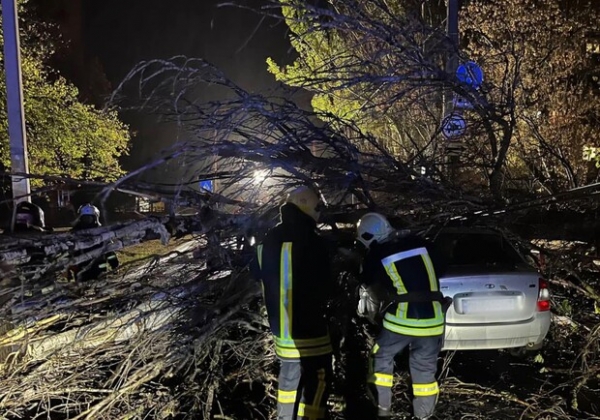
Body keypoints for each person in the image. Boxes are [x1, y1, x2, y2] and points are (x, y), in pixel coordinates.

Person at [355, 213, 450, 420]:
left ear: (367, 237)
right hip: (434, 320)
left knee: (381, 357)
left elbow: (367, 281)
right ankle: (423, 415)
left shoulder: (378, 253)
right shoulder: (422, 244)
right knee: (424, 370)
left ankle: (382, 410)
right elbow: (441, 267)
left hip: (401, 320)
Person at [251, 186, 333, 420]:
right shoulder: (313, 241)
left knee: (289, 381)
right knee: (319, 377)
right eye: (317, 207)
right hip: (308, 328)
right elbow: (326, 286)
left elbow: (256, 273)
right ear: (306, 206)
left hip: (281, 330)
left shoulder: (267, 240)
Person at [67, 203, 119, 281]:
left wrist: (114, 264)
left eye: (89, 218)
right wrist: (69, 268)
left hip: (96, 268)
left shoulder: (101, 233)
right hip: (83, 268)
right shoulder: (75, 234)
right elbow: (68, 252)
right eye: (85, 218)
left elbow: (109, 251)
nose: (87, 221)